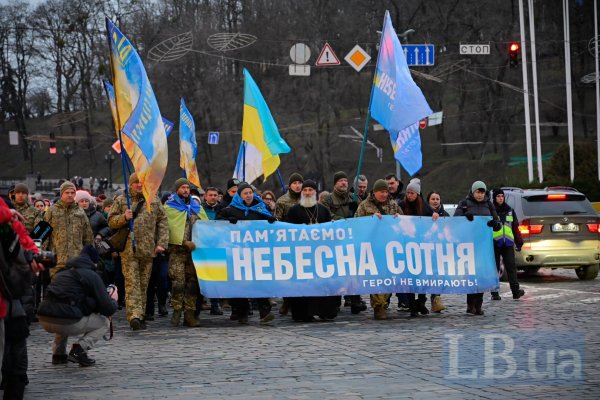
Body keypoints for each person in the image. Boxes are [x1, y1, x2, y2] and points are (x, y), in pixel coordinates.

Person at [107, 173, 169, 331]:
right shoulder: (121, 200)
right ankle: (134, 315)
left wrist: (161, 243)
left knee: (143, 284)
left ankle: (140, 315)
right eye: (136, 183)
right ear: (131, 184)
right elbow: (111, 221)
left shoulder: (153, 200)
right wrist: (124, 217)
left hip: (148, 249)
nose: (140, 185)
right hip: (129, 250)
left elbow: (162, 220)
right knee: (132, 283)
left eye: (142, 182)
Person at [37, 246, 117, 367]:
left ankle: (58, 354)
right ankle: (78, 351)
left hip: (44, 318)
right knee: (104, 322)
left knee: (64, 309)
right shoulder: (92, 276)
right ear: (94, 262)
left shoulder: (61, 272)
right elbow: (107, 308)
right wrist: (113, 300)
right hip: (65, 321)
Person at [0, 196, 43, 399]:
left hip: (15, 283)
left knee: (16, 339)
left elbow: (33, 236)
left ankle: (17, 380)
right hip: (11, 282)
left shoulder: (34, 215)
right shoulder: (8, 212)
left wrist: (34, 253)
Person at [217, 182, 275, 324]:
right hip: (237, 254)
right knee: (239, 283)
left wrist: (272, 221)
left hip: (256, 253)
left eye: (250, 192)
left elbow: (269, 223)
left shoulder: (260, 208)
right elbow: (216, 225)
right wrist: (226, 222)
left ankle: (264, 312)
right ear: (239, 196)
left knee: (259, 282)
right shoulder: (230, 210)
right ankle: (242, 312)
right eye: (245, 193)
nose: (249, 195)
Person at [285, 180, 337, 322]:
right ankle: (303, 314)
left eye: (310, 190)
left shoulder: (323, 210)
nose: (307, 193)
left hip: (320, 255)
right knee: (303, 286)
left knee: (322, 284)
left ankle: (324, 312)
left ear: (316, 192)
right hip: (301, 256)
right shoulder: (294, 211)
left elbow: (331, 232)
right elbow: (287, 232)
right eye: (305, 190)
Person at [355, 179, 402, 320]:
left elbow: (404, 222)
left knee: (389, 276)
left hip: (390, 246)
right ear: (374, 192)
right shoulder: (364, 206)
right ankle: (378, 306)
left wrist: (400, 218)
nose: (384, 194)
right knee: (377, 277)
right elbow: (356, 223)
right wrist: (370, 219)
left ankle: (384, 301)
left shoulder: (393, 205)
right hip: (373, 247)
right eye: (382, 192)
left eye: (386, 192)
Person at [454, 180, 502, 316]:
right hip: (468, 244)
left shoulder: (489, 204)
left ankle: (478, 304)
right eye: (478, 192)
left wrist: (495, 223)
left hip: (483, 245)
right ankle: (470, 304)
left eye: (482, 192)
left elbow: (497, 223)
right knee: (471, 275)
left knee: (481, 274)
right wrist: (465, 216)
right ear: (473, 192)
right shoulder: (464, 203)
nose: (480, 195)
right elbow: (455, 219)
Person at [164, 178, 208, 327]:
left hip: (195, 253)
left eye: (187, 188)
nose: (185, 190)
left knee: (192, 284)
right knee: (178, 283)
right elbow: (166, 229)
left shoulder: (196, 207)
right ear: (177, 190)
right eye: (182, 187)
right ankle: (176, 310)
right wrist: (182, 242)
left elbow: (206, 226)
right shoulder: (170, 208)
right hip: (177, 252)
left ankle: (189, 314)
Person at [322, 171, 365, 314]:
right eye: (340, 180)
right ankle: (335, 302)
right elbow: (325, 214)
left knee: (353, 270)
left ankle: (355, 300)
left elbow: (362, 213)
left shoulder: (354, 197)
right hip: (335, 241)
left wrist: (356, 212)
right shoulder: (328, 199)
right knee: (336, 272)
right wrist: (344, 220)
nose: (343, 183)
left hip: (352, 240)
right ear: (335, 183)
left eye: (345, 180)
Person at [398, 178, 439, 317]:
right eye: (408, 193)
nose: (409, 195)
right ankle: (411, 305)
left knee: (422, 276)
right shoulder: (402, 204)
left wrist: (435, 215)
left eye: (412, 193)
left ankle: (421, 301)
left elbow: (433, 218)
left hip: (422, 247)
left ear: (417, 194)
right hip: (406, 246)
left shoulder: (424, 206)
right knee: (409, 277)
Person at [44, 181, 94, 278]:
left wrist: (90, 258)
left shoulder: (80, 212)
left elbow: (88, 237)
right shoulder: (51, 211)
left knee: (76, 290)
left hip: (77, 261)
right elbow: (43, 236)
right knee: (58, 290)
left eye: (72, 193)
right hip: (57, 261)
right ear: (61, 194)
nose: (70, 195)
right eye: (67, 193)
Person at [491, 188, 525, 300]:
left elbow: (515, 227)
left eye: (502, 196)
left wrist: (519, 241)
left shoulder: (510, 210)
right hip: (494, 243)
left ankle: (516, 292)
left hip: (508, 243)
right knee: (494, 268)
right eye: (498, 196)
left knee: (511, 267)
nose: (500, 198)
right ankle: (495, 293)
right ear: (494, 198)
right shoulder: (491, 210)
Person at [426, 191, 449, 313]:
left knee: (438, 274)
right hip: (425, 248)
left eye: (437, 199)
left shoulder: (445, 215)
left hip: (439, 249)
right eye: (433, 199)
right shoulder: (423, 214)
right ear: (428, 200)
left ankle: (436, 299)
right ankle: (421, 301)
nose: (435, 201)